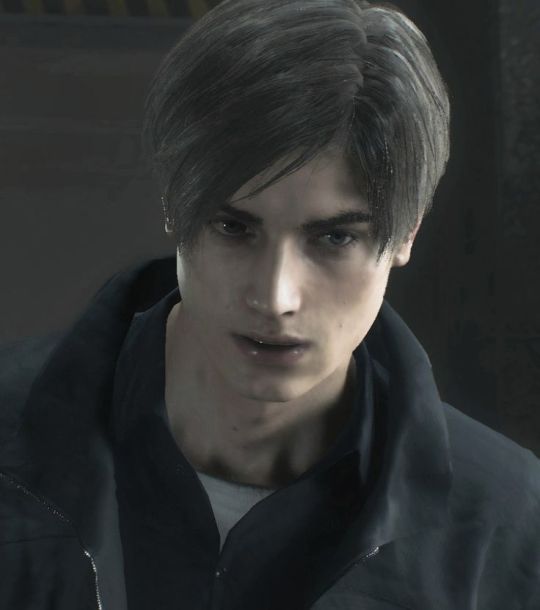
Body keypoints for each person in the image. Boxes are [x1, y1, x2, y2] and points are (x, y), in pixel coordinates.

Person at [0, 0, 539, 608]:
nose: (276, 296)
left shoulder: (509, 527)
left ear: (406, 234)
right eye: (234, 228)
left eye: (335, 238)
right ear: (175, 206)